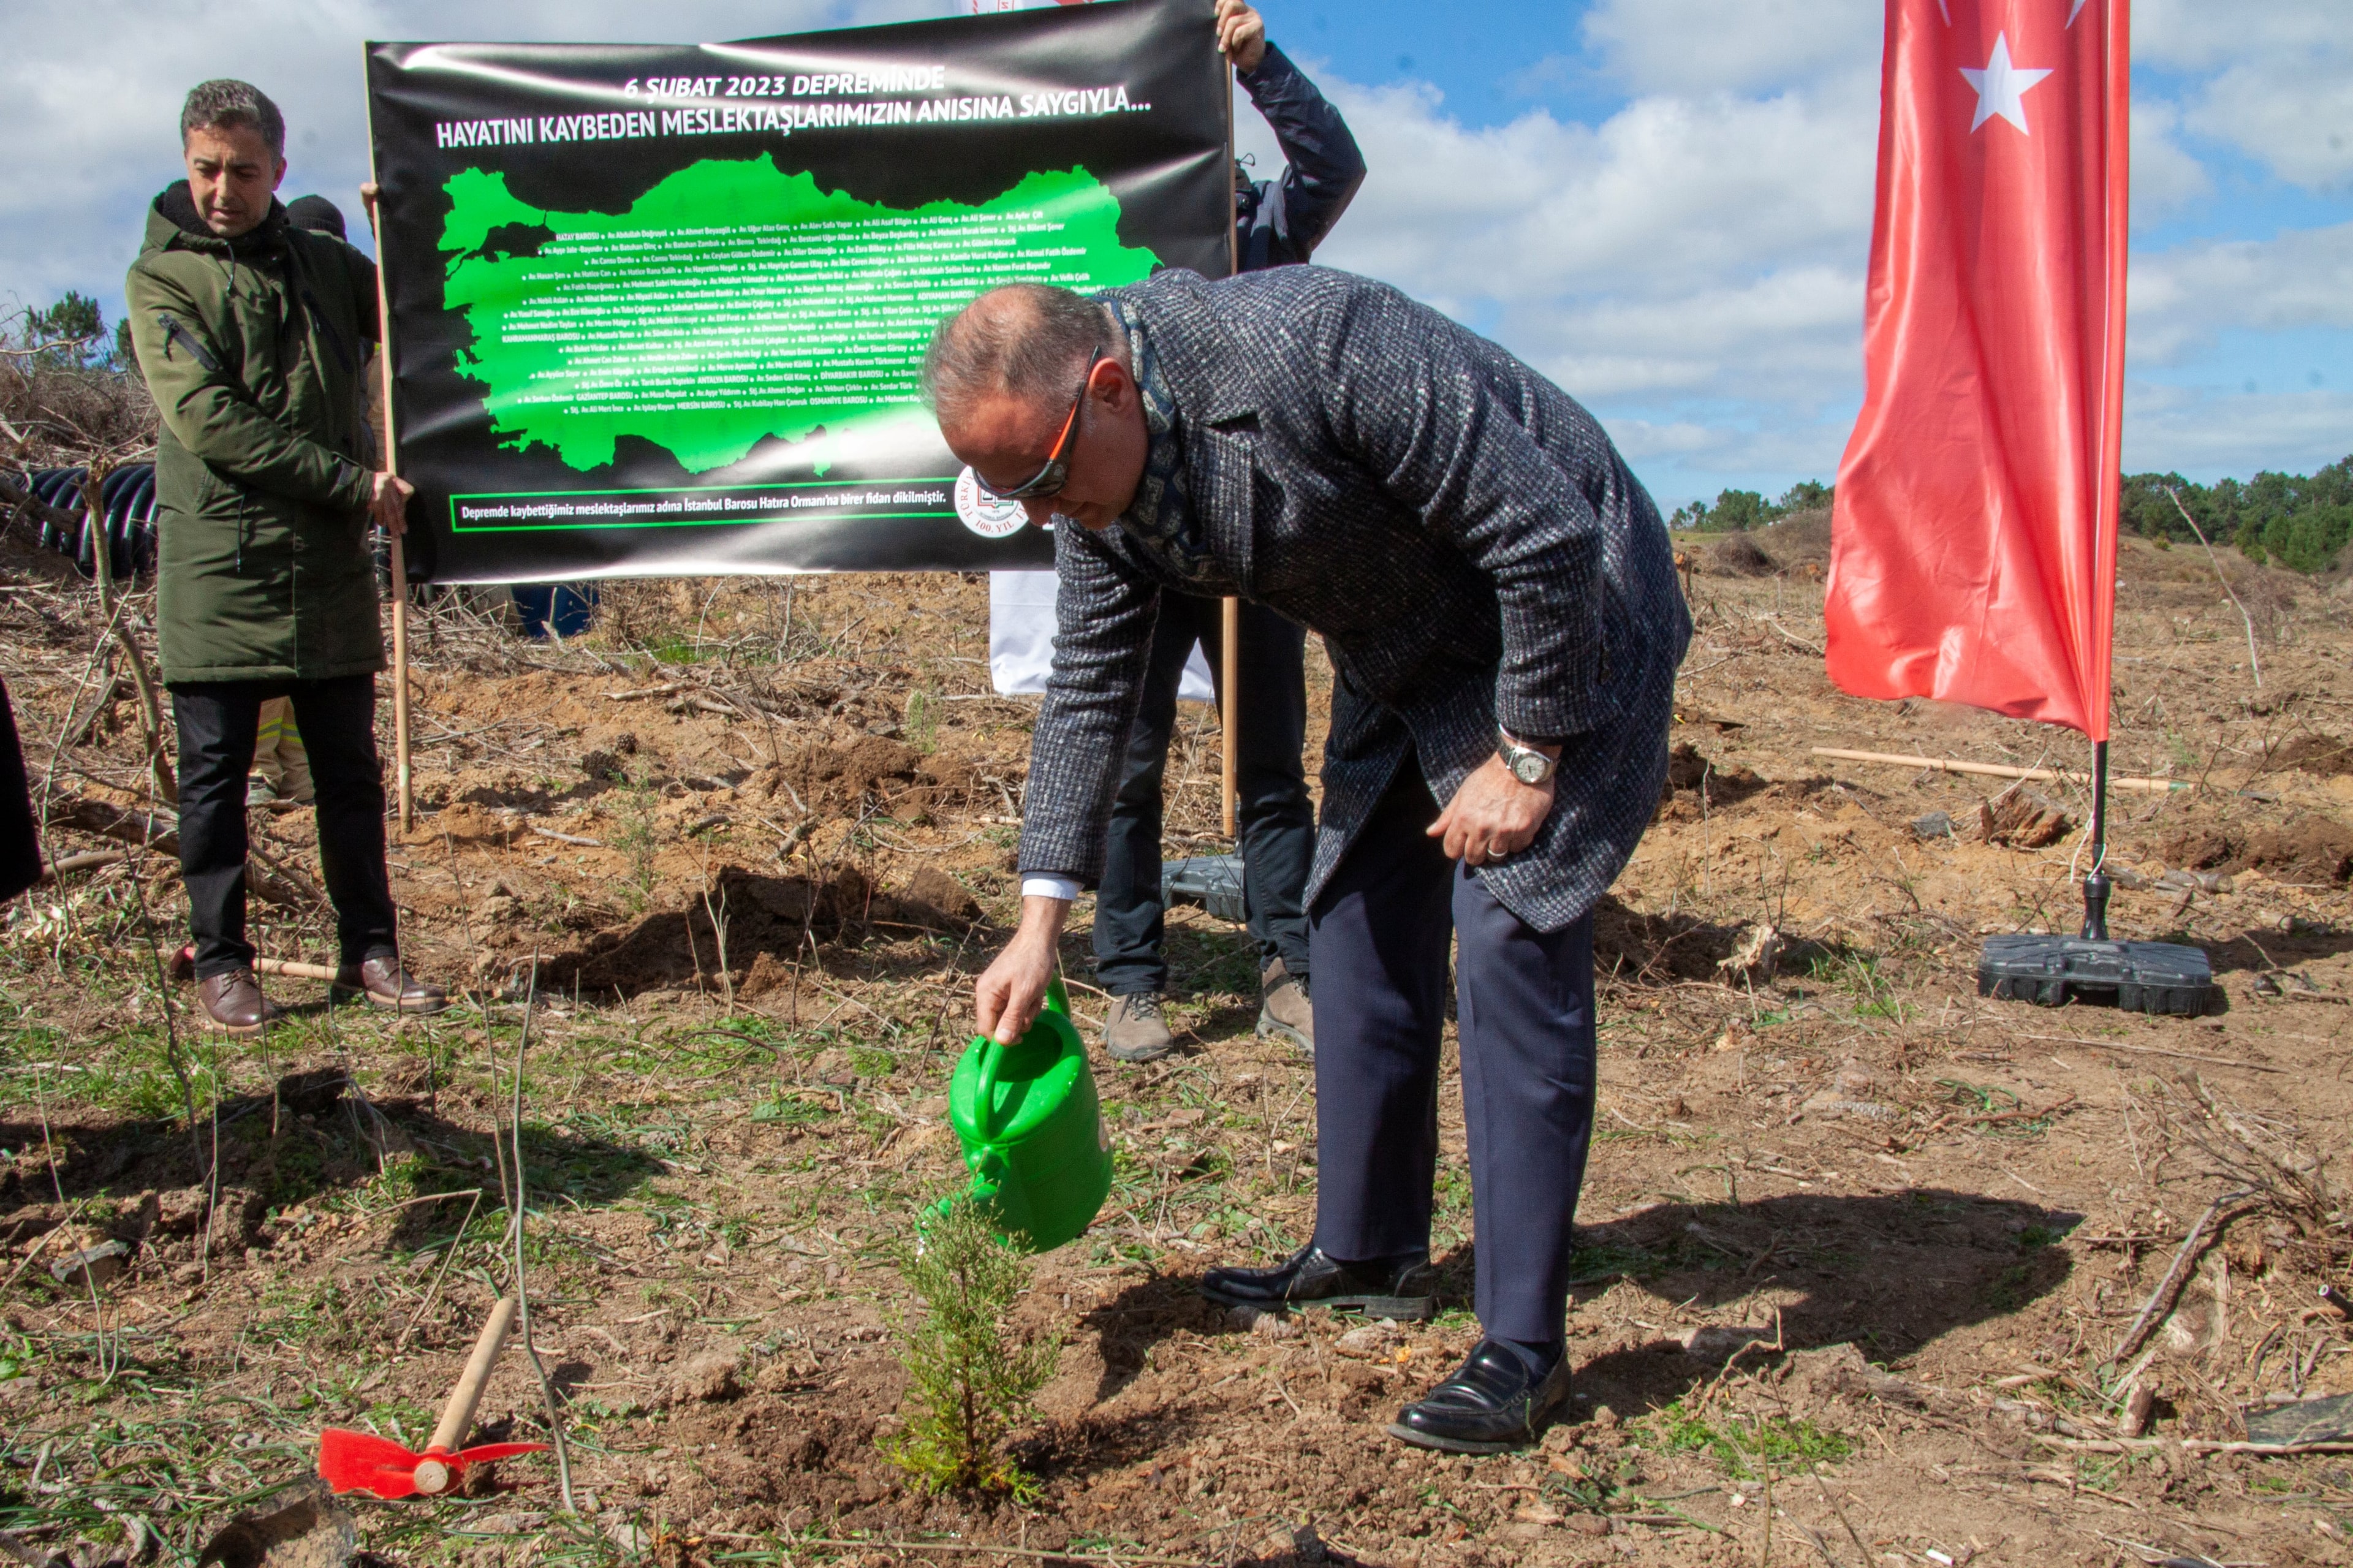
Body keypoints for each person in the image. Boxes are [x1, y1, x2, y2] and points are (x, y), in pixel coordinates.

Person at [923, 271, 1690, 1452]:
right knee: (1352, 908)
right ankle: (1372, 1248)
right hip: (1411, 640)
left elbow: (1548, 535)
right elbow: (1089, 698)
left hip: (1571, 609)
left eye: (1038, 481)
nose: (1035, 513)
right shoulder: (1097, 491)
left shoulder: (1316, 347)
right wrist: (1040, 924)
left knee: (1509, 931)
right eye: (1005, 491)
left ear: (1110, 390)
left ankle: (1525, 1348)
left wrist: (1529, 758)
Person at [1051, 0, 1366, 1064]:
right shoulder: (1102, 251)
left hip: (1255, 547)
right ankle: (1131, 981)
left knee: (1273, 766)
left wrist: (1262, 67)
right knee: (1129, 768)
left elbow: (1335, 166)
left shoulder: (1261, 234)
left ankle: (1289, 967)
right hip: (1139, 553)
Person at [125, 80, 445, 1032]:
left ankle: (371, 954)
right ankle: (223, 964)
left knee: (347, 774)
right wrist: (356, 488)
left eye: (245, 171)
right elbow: (210, 421)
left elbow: (421, 314)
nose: (224, 189)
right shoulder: (162, 281)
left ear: (280, 169)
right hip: (220, 570)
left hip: (325, 575)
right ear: (188, 162)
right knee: (216, 781)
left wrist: (406, 222)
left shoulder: (324, 265)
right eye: (207, 169)